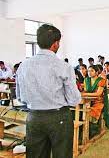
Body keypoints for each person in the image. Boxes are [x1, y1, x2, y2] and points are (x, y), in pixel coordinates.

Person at [16, 24, 81, 158]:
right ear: (56, 44)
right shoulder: (63, 67)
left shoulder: (23, 66)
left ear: (39, 42)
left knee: (36, 155)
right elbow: (74, 100)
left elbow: (20, 97)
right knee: (61, 155)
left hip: (34, 117)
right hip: (58, 118)